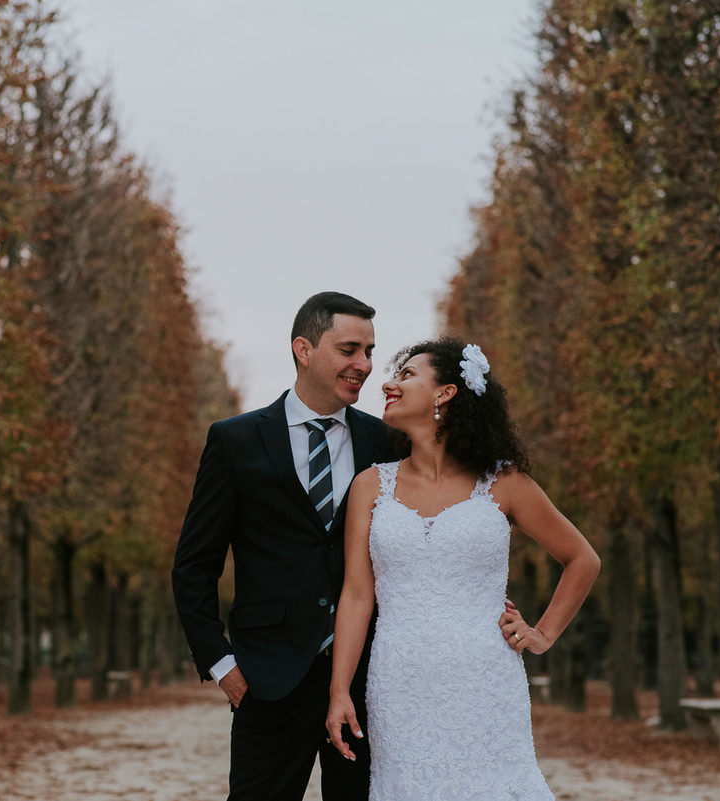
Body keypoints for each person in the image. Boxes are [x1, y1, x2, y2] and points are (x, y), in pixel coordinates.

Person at [325, 338, 600, 799]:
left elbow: (582, 559)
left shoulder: (505, 482)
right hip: (399, 684)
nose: (388, 383)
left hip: (486, 682)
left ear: (445, 393)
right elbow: (357, 595)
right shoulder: (370, 486)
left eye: (407, 374)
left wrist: (542, 634)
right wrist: (339, 691)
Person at [172, 292, 394, 801]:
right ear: (304, 349)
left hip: (369, 679)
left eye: (369, 351)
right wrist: (222, 666)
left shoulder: (386, 443)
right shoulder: (236, 441)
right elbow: (193, 565)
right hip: (269, 679)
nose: (363, 365)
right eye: (349, 349)